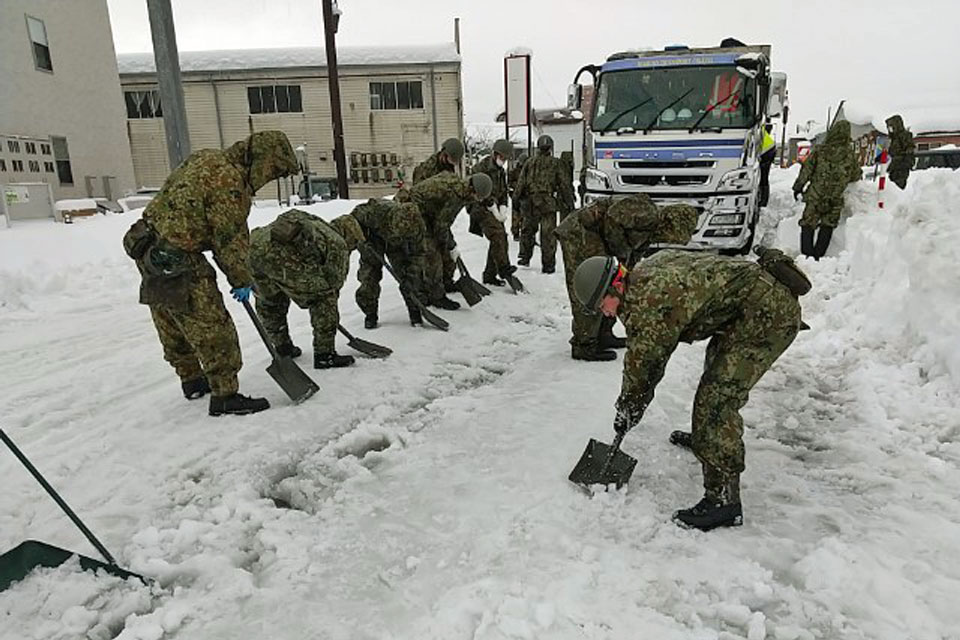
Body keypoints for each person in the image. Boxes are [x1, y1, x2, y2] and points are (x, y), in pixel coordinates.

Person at [572, 247, 806, 530]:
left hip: (768, 317)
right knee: (716, 377)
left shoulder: (648, 303)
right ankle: (707, 439)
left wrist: (628, 407)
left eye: (601, 306)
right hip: (744, 311)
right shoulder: (645, 272)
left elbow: (644, 369)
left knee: (717, 400)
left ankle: (724, 501)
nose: (605, 315)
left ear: (615, 287)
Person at [121, 130, 299, 416]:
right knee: (213, 326)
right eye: (273, 171)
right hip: (178, 255)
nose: (269, 179)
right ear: (262, 160)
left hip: (146, 245)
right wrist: (242, 279)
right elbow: (229, 240)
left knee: (171, 316)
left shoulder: (207, 157)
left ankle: (192, 380)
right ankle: (225, 394)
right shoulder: (230, 182)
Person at [556, 195, 698, 361]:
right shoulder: (647, 213)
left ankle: (604, 334)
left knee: (616, 286)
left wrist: (626, 270)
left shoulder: (653, 230)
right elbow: (613, 217)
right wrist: (620, 250)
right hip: (581, 233)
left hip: (599, 238)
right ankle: (583, 344)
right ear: (673, 224)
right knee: (594, 284)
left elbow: (633, 252)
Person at [249, 210, 365, 370]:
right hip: (278, 257)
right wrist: (320, 304)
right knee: (325, 298)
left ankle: (283, 347)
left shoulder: (319, 225)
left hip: (253, 247)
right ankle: (325, 355)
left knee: (270, 300)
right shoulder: (338, 243)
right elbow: (334, 283)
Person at [404, 172, 493, 309]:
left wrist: (449, 244)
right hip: (415, 211)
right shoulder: (455, 195)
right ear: (472, 189)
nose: (479, 200)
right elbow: (441, 225)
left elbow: (443, 221)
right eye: (478, 197)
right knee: (433, 255)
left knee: (445, 246)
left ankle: (446, 282)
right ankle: (436, 296)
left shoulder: (462, 190)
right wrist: (451, 245)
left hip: (431, 213)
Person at [351, 198, 427, 329]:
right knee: (369, 276)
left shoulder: (417, 228)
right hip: (373, 238)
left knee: (409, 276)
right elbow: (353, 220)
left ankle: (415, 311)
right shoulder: (375, 212)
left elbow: (418, 253)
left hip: (398, 243)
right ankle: (370, 314)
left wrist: (412, 272)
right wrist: (363, 237)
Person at [792, 120, 861, 259]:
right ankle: (818, 257)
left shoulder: (819, 150)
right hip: (834, 198)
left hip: (815, 195)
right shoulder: (850, 155)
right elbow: (855, 176)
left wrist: (798, 187)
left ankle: (806, 256)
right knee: (827, 226)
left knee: (808, 224)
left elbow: (806, 171)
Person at [514, 135, 575, 273]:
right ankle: (548, 265)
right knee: (548, 235)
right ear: (551, 148)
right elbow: (564, 185)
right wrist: (569, 203)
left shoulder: (530, 162)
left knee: (528, 230)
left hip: (531, 202)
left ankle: (524, 257)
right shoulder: (556, 163)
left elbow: (520, 183)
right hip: (548, 203)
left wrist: (516, 200)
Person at [413, 138, 466, 293]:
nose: (453, 163)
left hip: (439, 216)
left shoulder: (448, 167)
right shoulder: (426, 170)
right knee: (432, 254)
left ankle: (447, 281)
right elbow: (418, 197)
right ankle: (433, 291)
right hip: (423, 216)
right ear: (443, 153)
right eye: (452, 159)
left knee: (449, 249)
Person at [466, 139, 518, 286]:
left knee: (500, 238)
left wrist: (503, 207)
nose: (504, 161)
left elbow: (503, 192)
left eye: (506, 158)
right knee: (497, 235)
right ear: (495, 154)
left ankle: (489, 275)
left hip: (493, 208)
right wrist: (490, 204)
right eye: (502, 157)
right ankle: (503, 268)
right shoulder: (480, 168)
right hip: (479, 207)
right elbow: (474, 191)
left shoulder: (501, 172)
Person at [885, 114, 915, 190]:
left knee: (899, 187)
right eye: (889, 127)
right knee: (892, 187)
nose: (890, 129)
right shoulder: (893, 139)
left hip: (901, 167)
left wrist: (904, 162)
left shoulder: (904, 136)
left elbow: (910, 149)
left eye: (891, 127)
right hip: (894, 166)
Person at [508, 151, 529, 241]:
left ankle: (525, 232)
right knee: (516, 216)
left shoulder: (529, 171)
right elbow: (509, 183)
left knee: (525, 216)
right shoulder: (514, 172)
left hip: (526, 196)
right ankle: (516, 233)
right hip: (517, 196)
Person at [758, 124, 777, 207]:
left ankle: (763, 201)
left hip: (767, 151)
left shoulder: (757, 129)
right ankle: (763, 198)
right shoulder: (760, 128)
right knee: (763, 177)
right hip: (769, 150)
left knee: (763, 177)